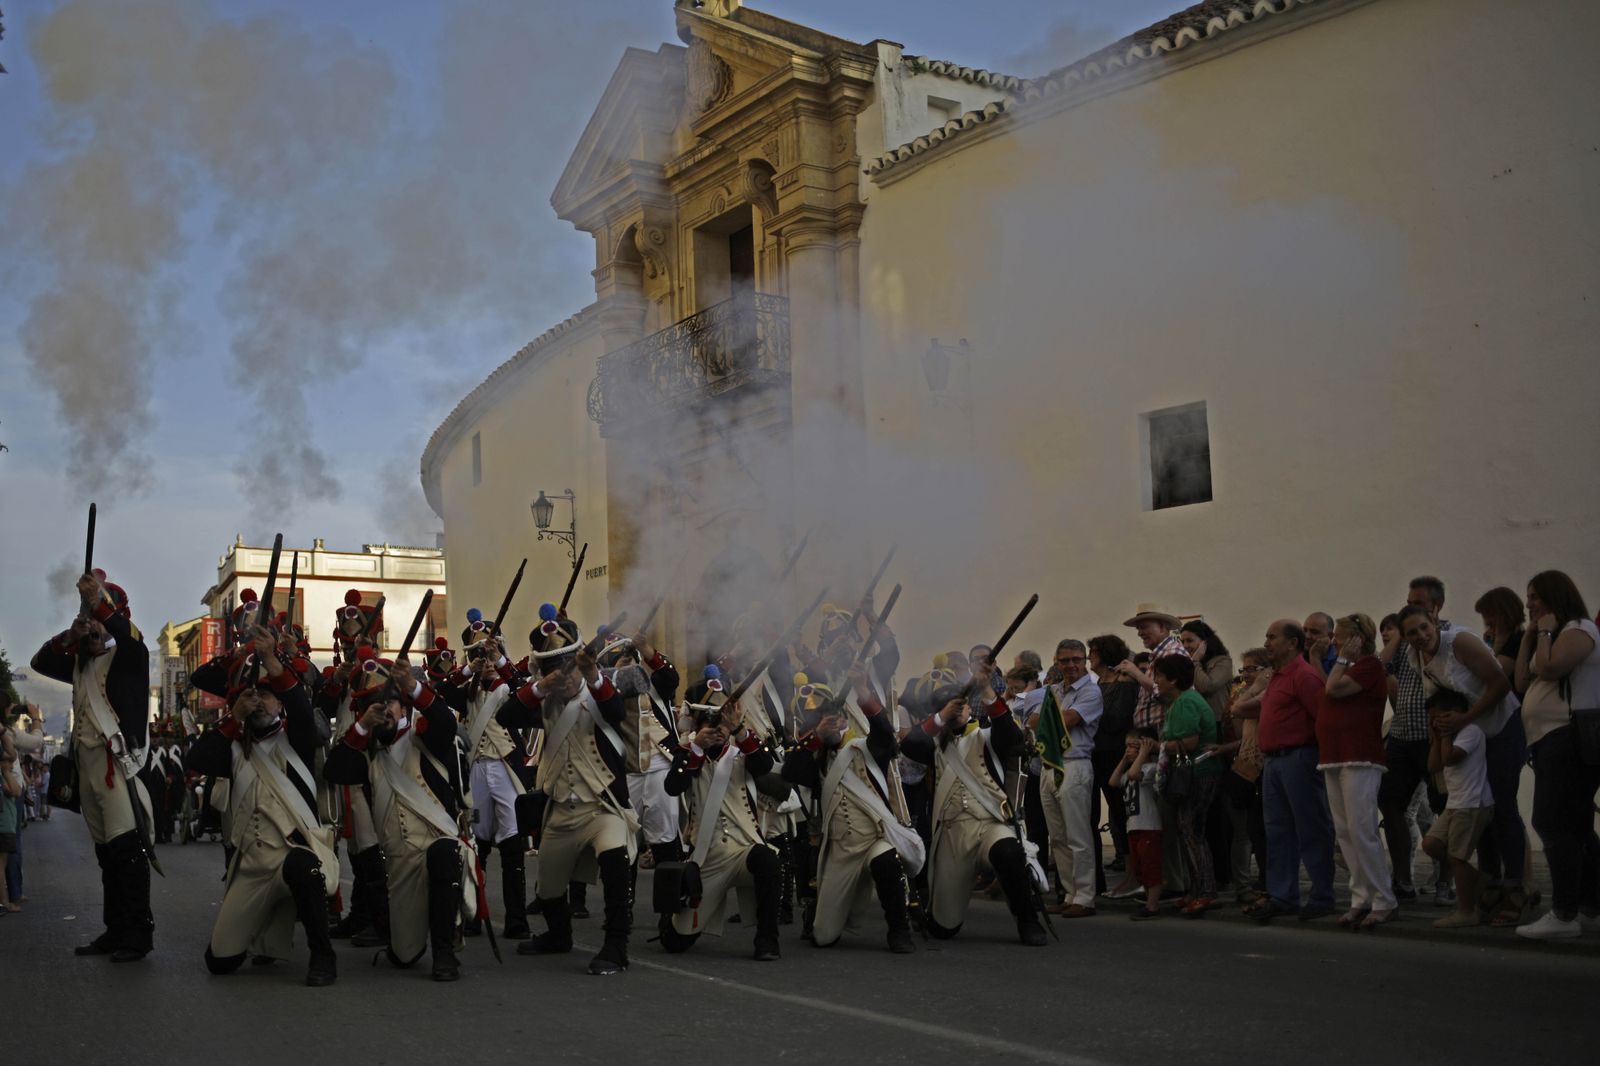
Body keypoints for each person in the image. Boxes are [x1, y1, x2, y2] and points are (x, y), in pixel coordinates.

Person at [184, 628, 339, 985]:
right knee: (219, 962)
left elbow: (301, 707)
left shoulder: (296, 737)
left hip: (290, 854)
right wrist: (232, 719)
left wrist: (270, 660)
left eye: (268, 695)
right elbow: (198, 758)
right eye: (252, 696)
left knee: (306, 865)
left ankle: (323, 956)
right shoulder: (232, 746)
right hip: (251, 866)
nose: (260, 703)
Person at [505, 604, 637, 975]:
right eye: (552, 671)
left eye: (565, 669)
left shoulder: (599, 691)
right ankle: (558, 936)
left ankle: (616, 946)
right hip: (561, 808)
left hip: (602, 806)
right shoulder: (543, 700)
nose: (561, 678)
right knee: (548, 887)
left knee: (615, 860)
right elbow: (507, 716)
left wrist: (593, 676)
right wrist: (540, 687)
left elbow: (615, 712)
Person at [30, 570, 155, 961]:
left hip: (118, 766)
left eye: (103, 620)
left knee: (127, 851)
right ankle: (115, 929)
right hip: (88, 770)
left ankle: (138, 934)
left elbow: (130, 637)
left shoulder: (130, 657)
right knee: (106, 853)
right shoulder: (78, 663)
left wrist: (99, 603)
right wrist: (73, 633)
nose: (97, 629)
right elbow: (39, 661)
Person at [781, 665, 922, 954]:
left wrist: (862, 690)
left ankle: (899, 929)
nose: (826, 724)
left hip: (874, 838)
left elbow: (884, 734)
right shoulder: (812, 756)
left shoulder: (863, 747)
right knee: (824, 936)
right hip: (839, 848)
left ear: (843, 718)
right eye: (817, 722)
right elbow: (792, 772)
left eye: (830, 718)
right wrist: (818, 737)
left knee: (886, 860)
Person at [903, 670, 1047, 946]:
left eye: (958, 703)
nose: (956, 708)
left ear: (969, 707)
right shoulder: (932, 744)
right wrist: (941, 717)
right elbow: (909, 746)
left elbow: (1011, 736)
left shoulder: (987, 736)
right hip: (952, 834)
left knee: (1008, 851)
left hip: (991, 822)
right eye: (947, 705)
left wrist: (987, 691)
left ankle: (1028, 919)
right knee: (943, 929)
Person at [1398, 601, 1523, 915]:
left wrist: (1464, 720)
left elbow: (1500, 684)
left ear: (1434, 621)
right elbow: (1435, 702)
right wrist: (1439, 739)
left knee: (1503, 805)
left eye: (1424, 628)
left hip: (1501, 726)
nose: (1420, 636)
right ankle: (1490, 882)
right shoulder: (1416, 657)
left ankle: (1516, 886)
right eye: (1412, 633)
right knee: (1481, 809)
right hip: (1471, 734)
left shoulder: (1460, 642)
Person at [659, 689, 782, 960]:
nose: (719, 731)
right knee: (675, 941)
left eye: (723, 725)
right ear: (699, 728)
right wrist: (696, 748)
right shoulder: (689, 755)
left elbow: (765, 765)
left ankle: (767, 941)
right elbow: (672, 786)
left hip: (743, 850)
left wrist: (738, 729)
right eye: (713, 726)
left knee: (768, 861)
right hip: (707, 857)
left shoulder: (743, 752)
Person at [1514, 570, 1600, 939]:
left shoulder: (1579, 629)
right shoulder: (1548, 635)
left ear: (1554, 596)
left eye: (1534, 596)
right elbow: (1520, 681)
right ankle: (1590, 908)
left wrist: (1546, 632)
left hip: (1569, 736)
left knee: (1551, 822)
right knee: (1577, 826)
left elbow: (1550, 669)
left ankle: (1564, 914)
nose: (1528, 603)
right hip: (1548, 739)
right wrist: (1530, 636)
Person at [1242, 620, 1335, 922]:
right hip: (1274, 762)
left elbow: (1322, 719)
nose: (1266, 643)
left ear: (1293, 643)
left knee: (1311, 829)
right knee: (1278, 832)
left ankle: (1322, 896)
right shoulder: (1277, 677)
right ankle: (1284, 896)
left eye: (1272, 637)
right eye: (1266, 636)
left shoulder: (1304, 676)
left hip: (1299, 758)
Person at [1377, 577, 1454, 903]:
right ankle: (1403, 880)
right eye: (1408, 601)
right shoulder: (1407, 638)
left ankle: (1445, 883)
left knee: (1445, 808)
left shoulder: (1449, 635)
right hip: (1402, 735)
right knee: (1390, 803)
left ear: (1436, 607)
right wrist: (1396, 635)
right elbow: (1382, 666)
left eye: (1418, 603)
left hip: (1433, 736)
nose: (1410, 607)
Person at [1318, 613, 1396, 928]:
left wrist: (1341, 660)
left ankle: (1383, 899)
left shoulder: (1369, 665)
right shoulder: (1350, 665)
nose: (1334, 641)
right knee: (1345, 831)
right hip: (1335, 755)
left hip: (1359, 756)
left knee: (1362, 829)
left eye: (1340, 636)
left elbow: (1333, 690)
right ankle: (1360, 897)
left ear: (1357, 639)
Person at [1024, 640, 1103, 918]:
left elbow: (1066, 720)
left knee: (1078, 834)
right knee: (1057, 836)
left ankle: (1085, 896)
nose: (1071, 665)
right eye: (1065, 660)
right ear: (1056, 662)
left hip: (1075, 764)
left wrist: (1044, 717)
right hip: (1049, 765)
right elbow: (1031, 721)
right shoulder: (1054, 691)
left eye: (1076, 660)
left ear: (1084, 661)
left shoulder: (1091, 691)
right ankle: (1069, 893)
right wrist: (1047, 717)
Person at [1153, 655, 1220, 915]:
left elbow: (1189, 742)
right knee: (1188, 831)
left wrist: (1160, 747)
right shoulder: (1185, 700)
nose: (1156, 681)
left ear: (1172, 679)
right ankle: (1196, 889)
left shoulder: (1185, 703)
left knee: (1191, 831)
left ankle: (1205, 891)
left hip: (1196, 773)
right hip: (1197, 772)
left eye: (1159, 675)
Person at [1423, 689, 1494, 929]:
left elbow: (1450, 759)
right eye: (1432, 718)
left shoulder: (1470, 732)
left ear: (1454, 714)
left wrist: (1444, 737)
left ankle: (1466, 910)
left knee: (1457, 858)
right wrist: (1437, 736)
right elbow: (1434, 765)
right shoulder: (1446, 735)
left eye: (1439, 717)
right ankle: (1481, 882)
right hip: (1455, 803)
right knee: (1431, 844)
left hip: (1472, 803)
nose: (1435, 722)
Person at [1181, 620, 1234, 889]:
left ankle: (1225, 872)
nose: (1186, 646)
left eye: (1190, 641)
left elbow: (1207, 686)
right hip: (1200, 729)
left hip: (1218, 730)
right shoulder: (1192, 662)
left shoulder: (1221, 661)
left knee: (1218, 807)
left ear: (1204, 640)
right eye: (1183, 642)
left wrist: (1196, 662)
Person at [1088, 635, 1138, 885]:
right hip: (1096, 754)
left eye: (1092, 652)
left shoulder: (1124, 683)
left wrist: (1086, 713)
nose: (1089, 657)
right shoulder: (1098, 683)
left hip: (1115, 754)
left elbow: (1117, 719)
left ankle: (1132, 872)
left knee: (1120, 813)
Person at [1109, 728, 1162, 920]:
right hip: (1133, 827)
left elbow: (1132, 775)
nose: (1129, 750)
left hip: (1149, 826)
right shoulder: (1132, 768)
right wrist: (1124, 758)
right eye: (1127, 747)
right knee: (1140, 868)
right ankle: (1149, 901)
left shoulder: (1150, 769)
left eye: (1134, 746)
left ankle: (1152, 905)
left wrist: (1143, 754)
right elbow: (1114, 781)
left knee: (1150, 867)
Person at [1476, 587, 1526, 679]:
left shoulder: (1518, 640)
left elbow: (1490, 676)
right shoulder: (1501, 639)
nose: (1486, 621)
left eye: (1489, 615)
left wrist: (1498, 643)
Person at [1303, 612, 1338, 679]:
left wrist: (1315, 658)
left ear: (1330, 636)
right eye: (1305, 630)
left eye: (1314, 632)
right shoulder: (1297, 653)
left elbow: (1327, 688)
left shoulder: (1337, 659)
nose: (1307, 636)